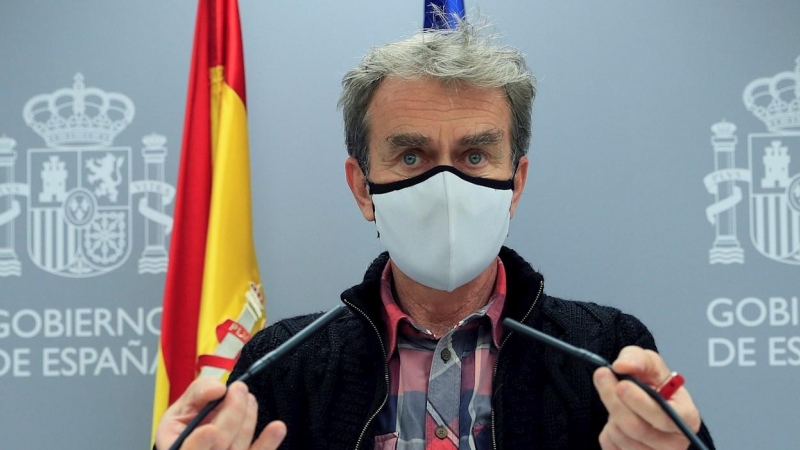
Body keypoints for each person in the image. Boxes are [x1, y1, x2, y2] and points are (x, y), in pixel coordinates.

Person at [155, 20, 715, 450]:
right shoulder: (284, 363)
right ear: (362, 187)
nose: (445, 184)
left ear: (516, 182)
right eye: (411, 154)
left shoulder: (604, 349)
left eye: (476, 154)